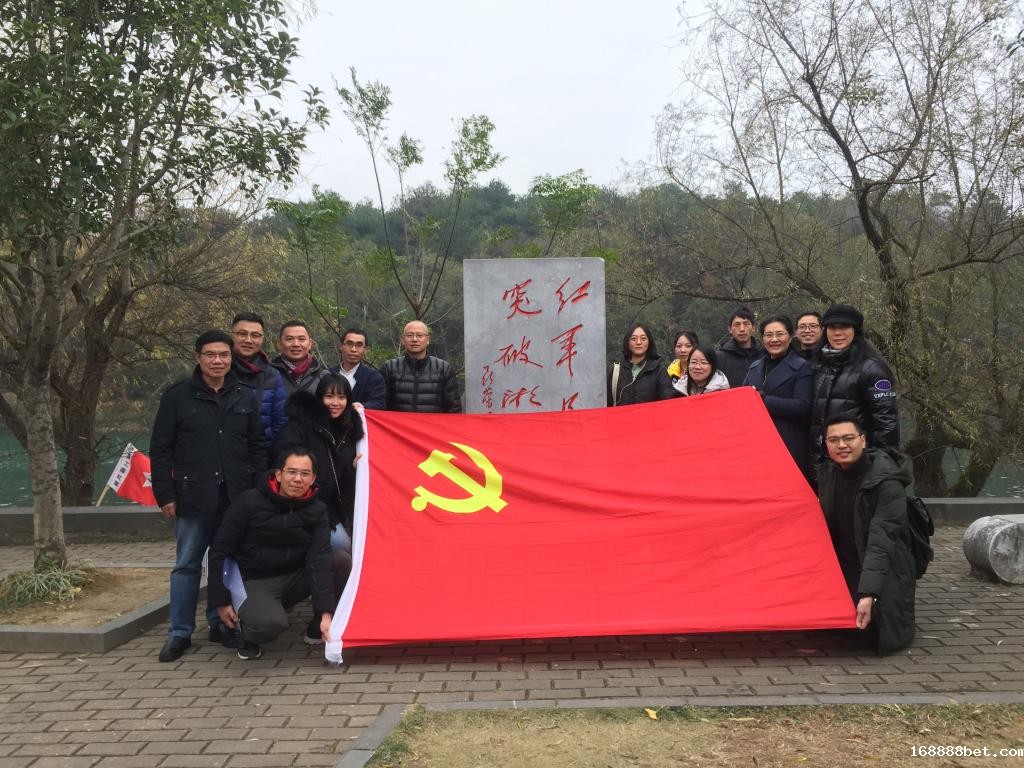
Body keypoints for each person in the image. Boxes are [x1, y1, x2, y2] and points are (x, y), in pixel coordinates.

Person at [150, 330, 266, 662]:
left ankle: (220, 623)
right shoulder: (177, 396)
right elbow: (161, 449)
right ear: (198, 357)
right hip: (191, 496)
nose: (218, 361)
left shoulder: (244, 396)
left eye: (224, 355)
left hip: (235, 496)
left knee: (226, 561)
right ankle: (179, 632)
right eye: (211, 354)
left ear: (232, 358)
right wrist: (165, 494)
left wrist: (257, 490)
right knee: (187, 565)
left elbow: (257, 446)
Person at [207, 448, 339, 660]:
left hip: (294, 577)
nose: (298, 479)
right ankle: (247, 634)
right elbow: (219, 551)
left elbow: (320, 559)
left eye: (305, 474)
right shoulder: (249, 501)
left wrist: (326, 613)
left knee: (340, 560)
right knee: (270, 624)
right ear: (278, 474)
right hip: (254, 580)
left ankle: (319, 627)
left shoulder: (318, 509)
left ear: (313, 479)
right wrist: (220, 602)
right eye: (291, 472)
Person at [273, 374, 363, 642]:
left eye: (341, 397)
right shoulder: (300, 426)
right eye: (329, 396)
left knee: (357, 549)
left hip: (337, 510)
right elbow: (283, 466)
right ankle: (325, 618)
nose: (335, 403)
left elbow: (344, 479)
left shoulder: (352, 429)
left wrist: (354, 468)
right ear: (318, 398)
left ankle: (337, 614)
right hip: (305, 509)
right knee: (341, 552)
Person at [817, 415, 915, 655]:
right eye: (834, 440)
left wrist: (868, 594)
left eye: (848, 438)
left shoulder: (887, 483)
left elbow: (881, 542)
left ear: (863, 440)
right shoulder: (828, 475)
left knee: (872, 631)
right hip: (846, 563)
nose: (842, 445)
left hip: (883, 564)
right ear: (826, 444)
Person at [810, 304, 899, 462]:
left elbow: (886, 422)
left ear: (855, 331)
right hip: (823, 461)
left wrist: (880, 463)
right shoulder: (819, 365)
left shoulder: (872, 368)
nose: (838, 333)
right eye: (832, 327)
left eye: (844, 327)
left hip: (857, 462)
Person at [743, 316, 813, 477]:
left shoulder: (802, 367)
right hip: (756, 443)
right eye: (768, 335)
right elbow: (742, 400)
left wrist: (764, 400)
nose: (774, 340)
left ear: (791, 336)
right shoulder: (755, 367)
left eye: (780, 334)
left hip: (788, 442)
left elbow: (803, 406)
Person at [230, 312, 288, 445]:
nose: (248, 340)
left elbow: (280, 422)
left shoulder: (272, 375)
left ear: (262, 339)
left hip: (262, 452)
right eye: (242, 334)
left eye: (255, 335)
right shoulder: (219, 371)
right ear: (231, 335)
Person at [380, 320, 461, 413]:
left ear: (428, 339)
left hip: (431, 422)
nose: (414, 339)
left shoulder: (443, 368)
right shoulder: (389, 368)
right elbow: (380, 406)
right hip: (397, 422)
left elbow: (454, 409)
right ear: (402, 340)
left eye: (419, 335)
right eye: (409, 335)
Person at [607, 323, 676, 406]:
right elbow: (607, 404)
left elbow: (667, 404)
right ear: (627, 342)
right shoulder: (616, 371)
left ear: (649, 342)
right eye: (633, 339)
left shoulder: (659, 371)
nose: (638, 342)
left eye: (643, 339)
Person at [331, 327, 387, 409]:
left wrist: (362, 406)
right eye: (349, 344)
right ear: (341, 346)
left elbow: (380, 404)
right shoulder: (328, 374)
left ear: (366, 350)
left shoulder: (374, 378)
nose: (353, 349)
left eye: (359, 345)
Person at [271, 320, 330, 396]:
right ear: (279, 344)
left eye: (301, 339)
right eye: (289, 339)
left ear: (310, 344)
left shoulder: (324, 376)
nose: (296, 344)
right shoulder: (267, 373)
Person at [716, 307, 763, 388]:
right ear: (730, 329)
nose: (742, 329)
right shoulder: (719, 357)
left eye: (746, 324)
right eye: (737, 324)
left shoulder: (764, 356)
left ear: (753, 328)